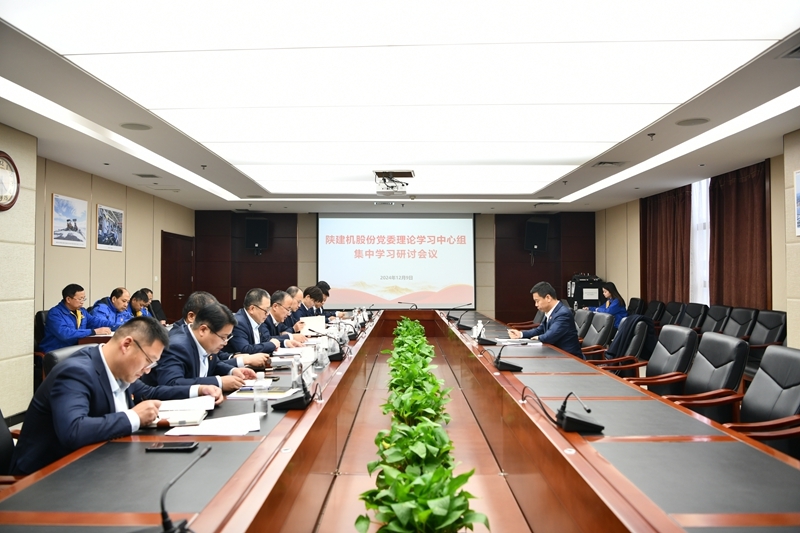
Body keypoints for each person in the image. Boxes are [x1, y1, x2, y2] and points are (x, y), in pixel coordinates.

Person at [11, 316, 223, 474]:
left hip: (99, 462)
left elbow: (150, 392)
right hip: (46, 477)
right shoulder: (76, 372)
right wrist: (134, 417)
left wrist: (199, 389)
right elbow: (73, 430)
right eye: (148, 361)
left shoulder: (118, 368)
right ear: (127, 345)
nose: (147, 370)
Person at [144, 302, 256, 393]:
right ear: (203, 330)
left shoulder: (205, 342)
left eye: (228, 337)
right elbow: (172, 383)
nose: (225, 343)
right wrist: (218, 382)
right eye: (223, 337)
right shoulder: (177, 346)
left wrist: (232, 371)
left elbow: (213, 363)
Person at [508, 281, 583, 359]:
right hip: (555, 355)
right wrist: (521, 334)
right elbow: (540, 330)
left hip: (570, 359)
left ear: (548, 298)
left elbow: (550, 336)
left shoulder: (563, 313)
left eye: (537, 301)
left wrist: (538, 338)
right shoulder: (550, 311)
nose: (536, 305)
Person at [39, 284, 112, 353]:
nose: (82, 302)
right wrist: (93, 331)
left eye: (84, 299)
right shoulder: (55, 313)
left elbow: (96, 322)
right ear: (68, 299)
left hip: (76, 349)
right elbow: (65, 334)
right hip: (56, 351)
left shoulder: (81, 311)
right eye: (80, 299)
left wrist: (117, 326)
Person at [218, 288, 275, 368]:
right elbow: (245, 349)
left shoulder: (258, 320)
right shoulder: (239, 322)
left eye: (269, 310)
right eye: (266, 310)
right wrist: (272, 345)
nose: (268, 314)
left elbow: (266, 339)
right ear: (252, 309)